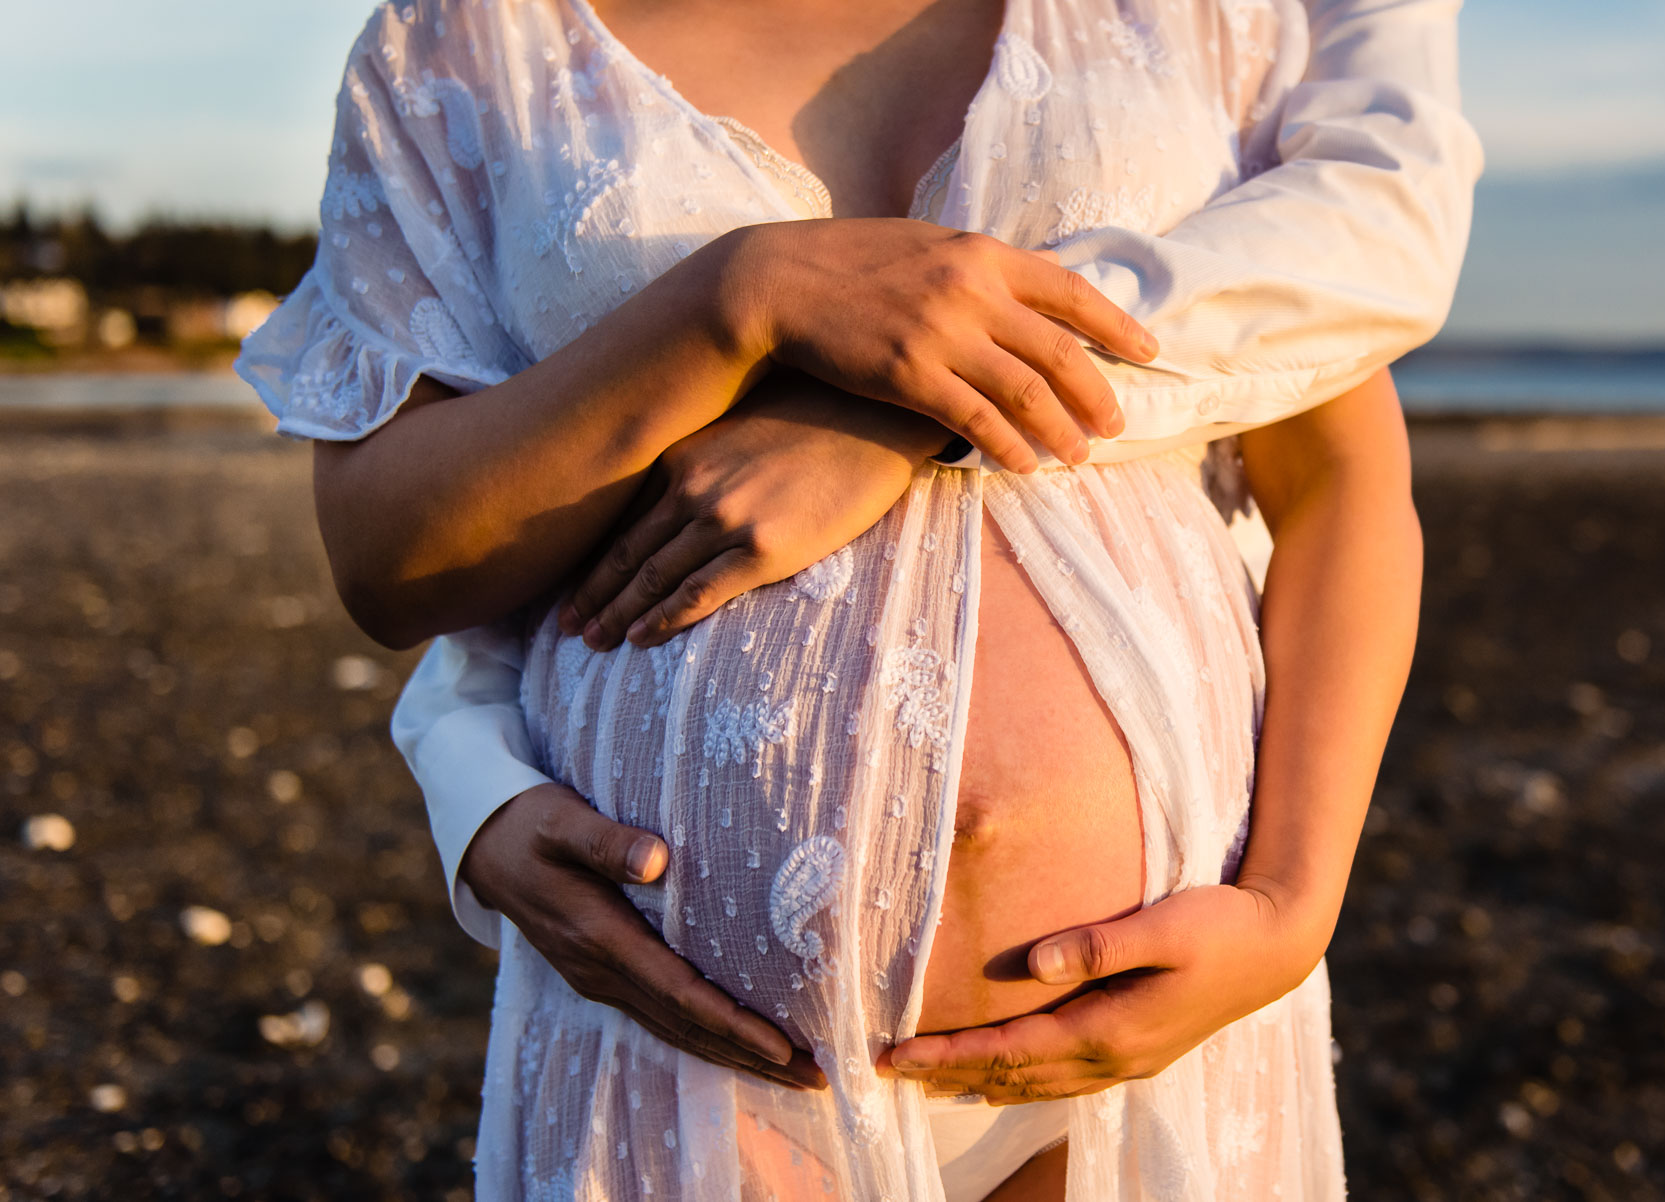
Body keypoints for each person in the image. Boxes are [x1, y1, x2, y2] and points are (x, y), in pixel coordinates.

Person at [236, 0, 1481, 1196]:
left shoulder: (1194, 19)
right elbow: (391, 557)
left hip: (1155, 1035)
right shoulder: (465, 48)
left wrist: (1292, 901)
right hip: (696, 1056)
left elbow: (1339, 480)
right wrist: (728, 306)